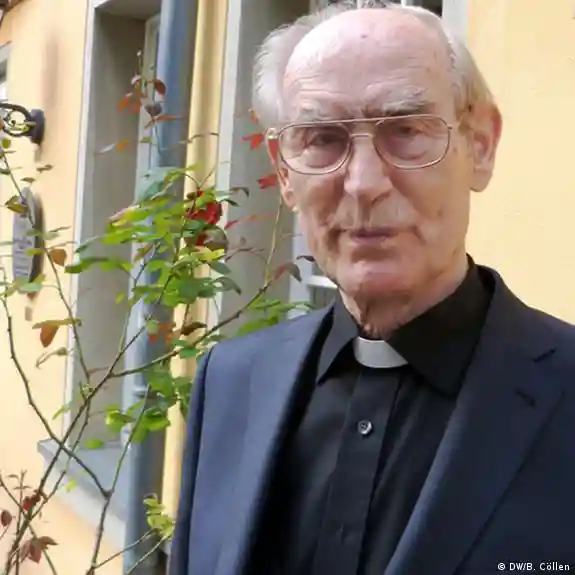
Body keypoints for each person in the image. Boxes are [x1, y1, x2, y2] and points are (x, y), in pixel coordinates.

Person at [169, 2, 575, 574]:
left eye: (407, 130)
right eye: (322, 138)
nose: (363, 183)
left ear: (480, 146)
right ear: (284, 172)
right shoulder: (231, 383)